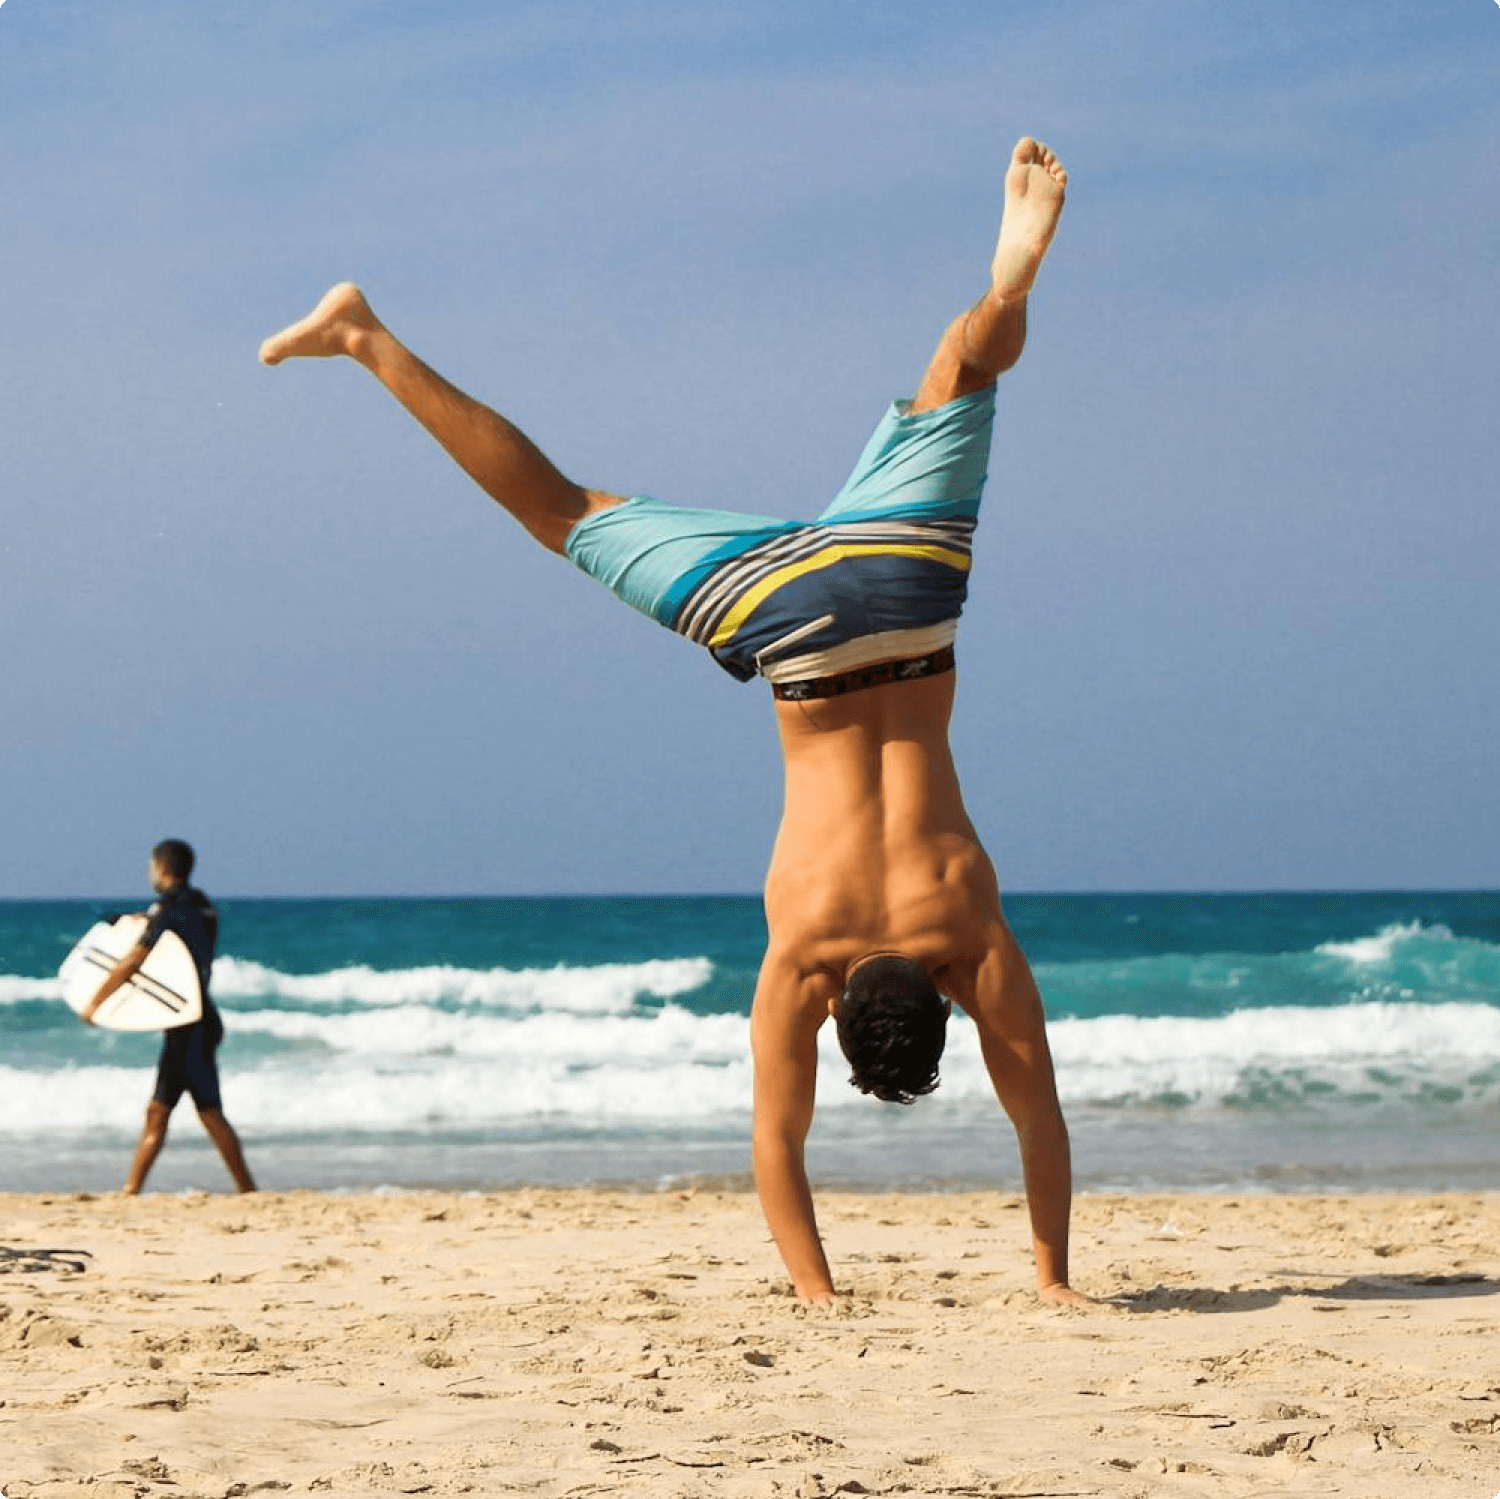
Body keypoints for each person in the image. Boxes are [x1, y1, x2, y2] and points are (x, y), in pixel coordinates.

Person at [260, 136, 1080, 1303]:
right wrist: (817, 1294)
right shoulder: (811, 957)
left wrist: (1058, 1276)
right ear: (841, 1015)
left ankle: (1005, 290)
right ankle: (363, 338)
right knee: (562, 511)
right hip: (789, 634)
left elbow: (1040, 1115)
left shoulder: (971, 937)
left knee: (964, 368)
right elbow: (778, 1145)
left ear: (941, 1005)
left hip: (905, 599)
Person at [79, 839, 257, 1195]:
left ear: (161, 868)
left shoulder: (169, 909)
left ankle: (248, 1190)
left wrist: (95, 1003)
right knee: (160, 1111)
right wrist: (137, 919)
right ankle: (132, 1189)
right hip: (197, 1020)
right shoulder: (203, 906)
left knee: (208, 1111)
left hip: (189, 1027)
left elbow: (134, 960)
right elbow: (178, 937)